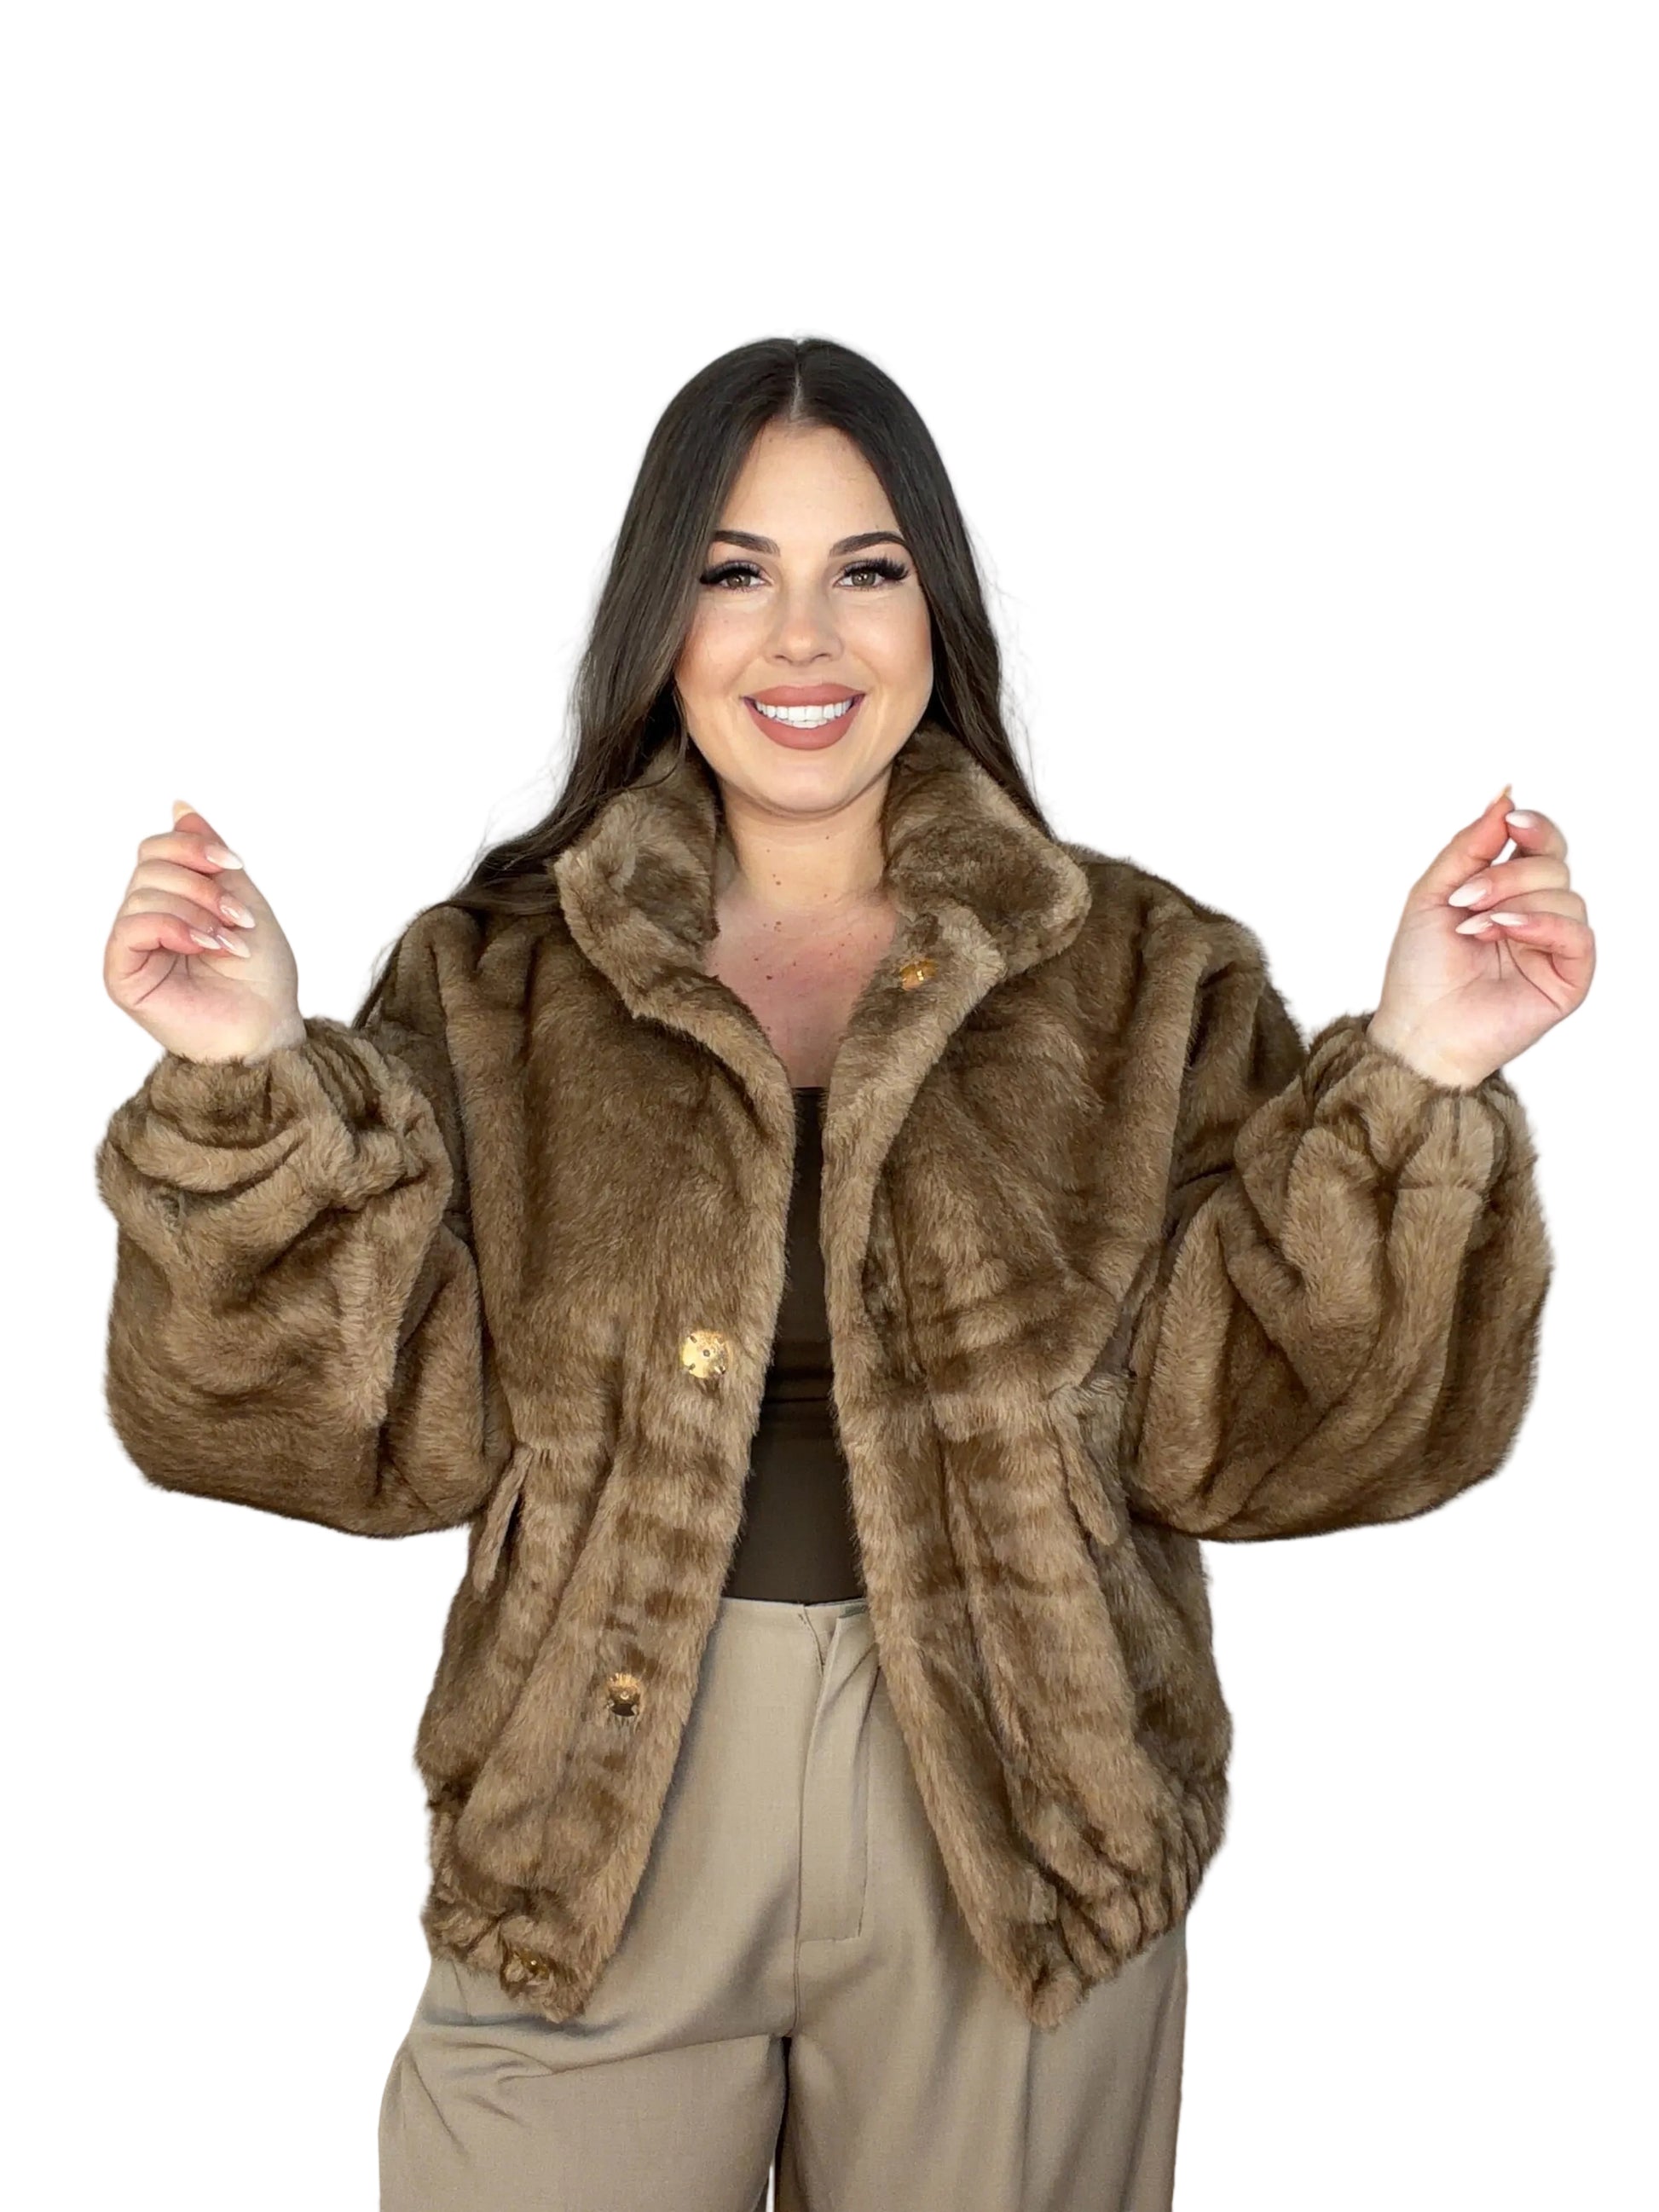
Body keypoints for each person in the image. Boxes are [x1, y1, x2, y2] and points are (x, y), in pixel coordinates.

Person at [95, 337, 1591, 2212]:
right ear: (661, 619)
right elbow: (352, 1439)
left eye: (862, 570)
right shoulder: (493, 980)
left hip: (1018, 1840)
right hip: (594, 1825)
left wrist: (1422, 1069)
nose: (801, 638)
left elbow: (1273, 1442)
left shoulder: (1142, 976)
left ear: (931, 608)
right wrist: (245, 1079)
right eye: (735, 572)